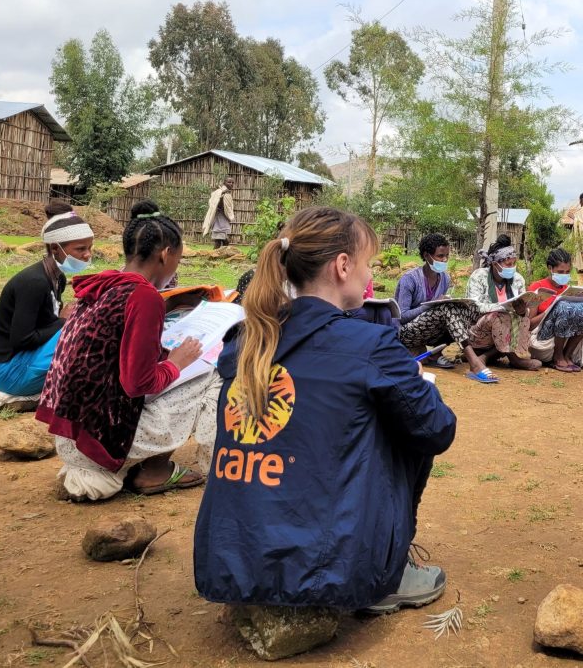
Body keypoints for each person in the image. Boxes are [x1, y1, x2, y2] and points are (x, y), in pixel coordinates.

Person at [194, 207, 457, 619]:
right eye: (368, 264)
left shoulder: (247, 338)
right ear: (342, 266)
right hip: (330, 572)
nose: (370, 277)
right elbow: (438, 430)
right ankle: (387, 568)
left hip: (229, 561)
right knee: (412, 419)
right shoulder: (371, 345)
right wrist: (410, 381)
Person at [36, 201, 216, 502]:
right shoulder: (144, 297)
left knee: (175, 366)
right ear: (165, 254)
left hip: (69, 435)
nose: (176, 267)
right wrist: (177, 362)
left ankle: (139, 463)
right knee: (208, 374)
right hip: (99, 441)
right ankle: (155, 470)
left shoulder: (104, 284)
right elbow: (138, 383)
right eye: (178, 259)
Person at [0, 205, 95, 414]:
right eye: (80, 249)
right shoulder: (34, 283)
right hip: (10, 372)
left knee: (82, 320)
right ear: (55, 249)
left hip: (28, 360)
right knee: (83, 327)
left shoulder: (57, 278)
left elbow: (45, 324)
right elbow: (22, 339)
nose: (87, 255)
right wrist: (63, 322)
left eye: (89, 248)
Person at [395, 233, 486, 377]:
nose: (444, 260)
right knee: (445, 309)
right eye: (440, 256)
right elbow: (402, 316)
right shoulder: (410, 279)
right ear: (426, 255)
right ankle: (474, 362)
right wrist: (430, 305)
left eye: (447, 256)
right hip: (407, 332)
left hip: (430, 331)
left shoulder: (444, 278)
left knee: (469, 309)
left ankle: (436, 354)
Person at [465, 235, 540, 380]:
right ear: (494, 263)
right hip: (479, 330)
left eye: (513, 263)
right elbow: (474, 307)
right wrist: (501, 307)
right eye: (508, 264)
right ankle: (513, 358)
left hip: (506, 329)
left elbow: (523, 304)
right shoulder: (479, 276)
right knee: (498, 316)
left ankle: (485, 357)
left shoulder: (517, 279)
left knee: (523, 318)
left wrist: (523, 310)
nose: (512, 267)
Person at [528, 249, 583, 372]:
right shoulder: (537, 287)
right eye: (560, 272)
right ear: (550, 268)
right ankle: (558, 356)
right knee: (562, 305)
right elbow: (530, 324)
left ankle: (567, 355)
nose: (564, 275)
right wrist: (551, 309)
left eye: (567, 272)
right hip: (542, 341)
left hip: (566, 338)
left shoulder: (568, 289)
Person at [201, 175, 236, 249]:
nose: (231, 184)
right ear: (224, 183)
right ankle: (214, 256)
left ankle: (219, 255)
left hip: (223, 219)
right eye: (229, 182)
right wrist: (222, 195)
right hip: (219, 219)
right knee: (219, 241)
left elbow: (228, 208)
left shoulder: (227, 194)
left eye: (232, 182)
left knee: (223, 240)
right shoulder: (220, 192)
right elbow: (215, 204)